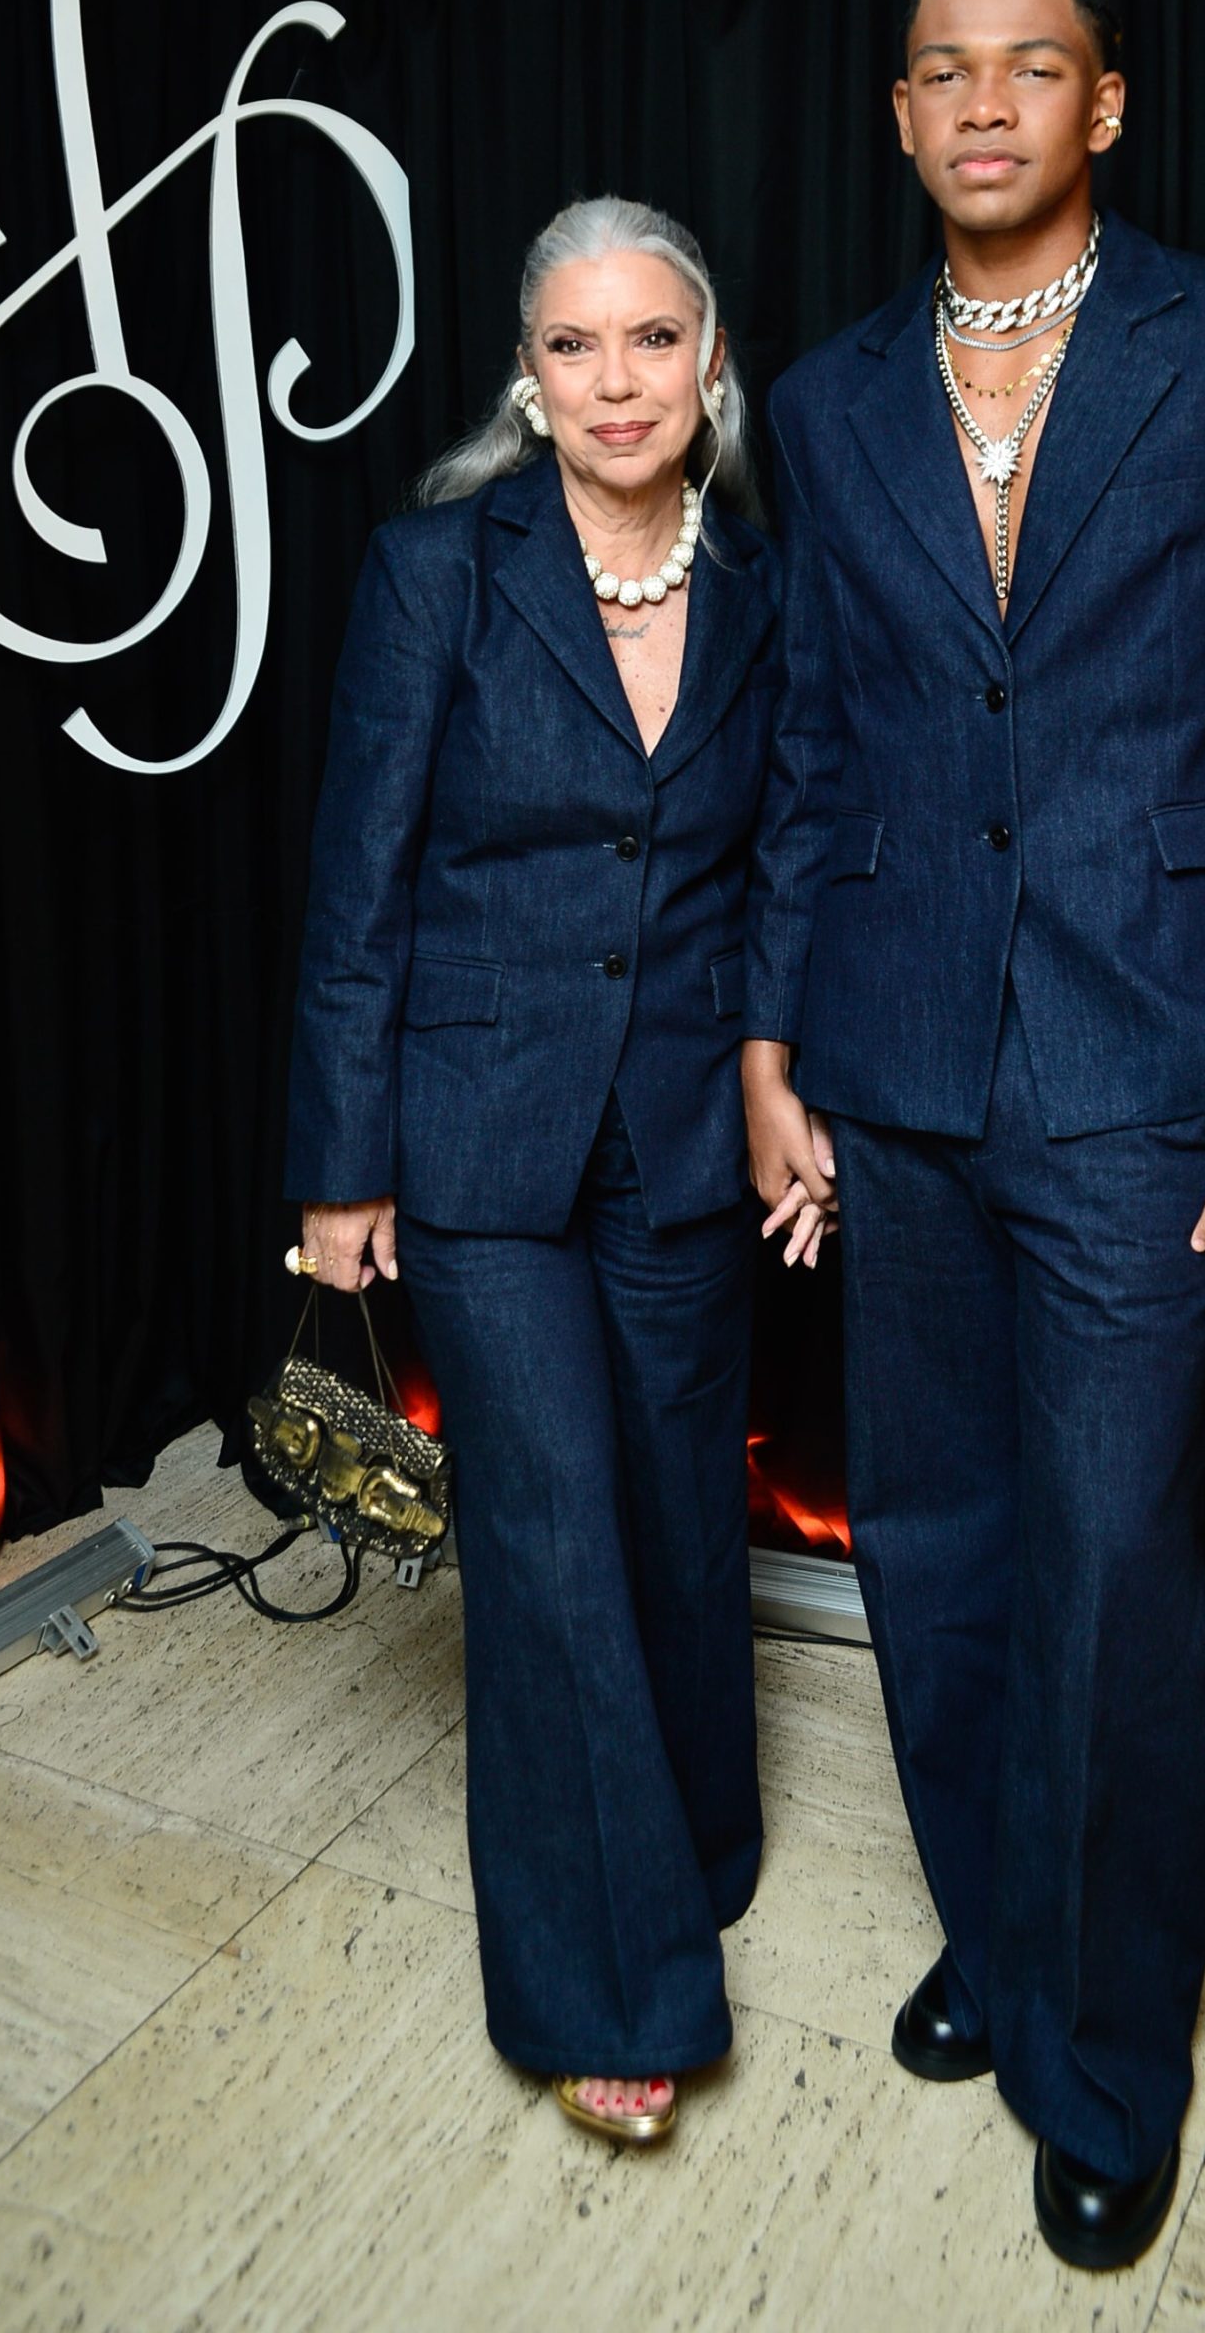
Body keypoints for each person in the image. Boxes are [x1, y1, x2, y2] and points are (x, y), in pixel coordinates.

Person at [742, 0, 1205, 2268]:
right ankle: (999, 1927)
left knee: (1114, 1563)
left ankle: (1103, 2042)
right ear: (903, 116)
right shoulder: (826, 405)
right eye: (940, 70)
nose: (984, 103)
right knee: (932, 1540)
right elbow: (808, 752)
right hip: (896, 1053)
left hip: (1150, 1066)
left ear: (1100, 109)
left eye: (1030, 69)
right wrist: (767, 1046)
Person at [286, 195, 786, 2146]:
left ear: (707, 363)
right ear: (525, 370)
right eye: (572, 346)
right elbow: (359, 883)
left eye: (650, 339)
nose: (613, 380)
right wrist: (342, 1169)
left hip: (677, 1142)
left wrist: (783, 1091)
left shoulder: (758, 588)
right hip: (477, 1140)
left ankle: (688, 1838)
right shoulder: (436, 573)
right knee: (555, 1534)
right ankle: (611, 1978)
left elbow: (775, 871)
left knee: (676, 1514)